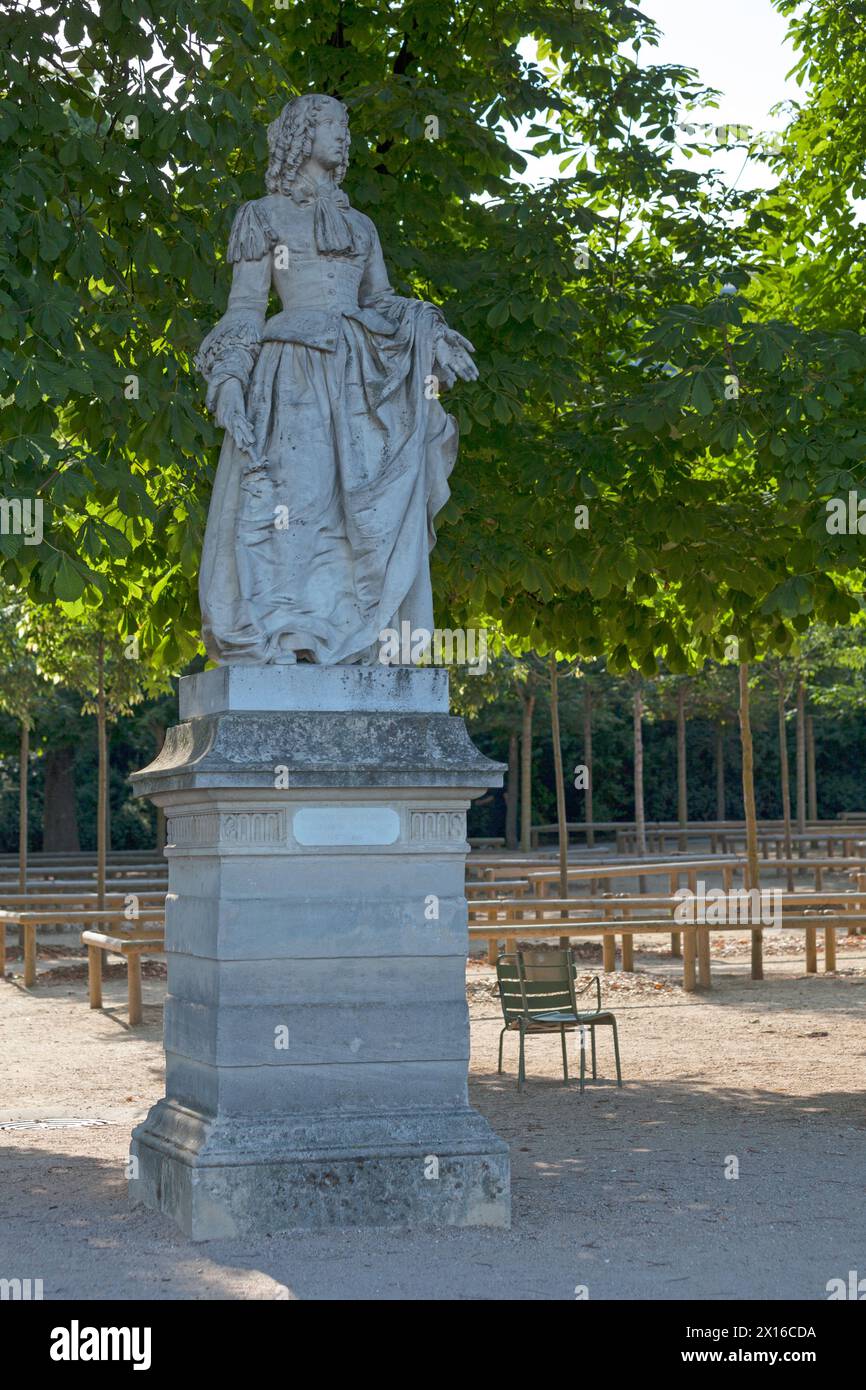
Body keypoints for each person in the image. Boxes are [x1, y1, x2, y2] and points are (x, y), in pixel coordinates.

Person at [195, 92, 478, 665]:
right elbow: (246, 307)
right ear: (302, 134)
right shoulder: (264, 216)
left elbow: (381, 301)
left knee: (354, 511)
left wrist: (434, 334)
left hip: (359, 378)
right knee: (293, 500)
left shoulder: (361, 226)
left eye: (344, 126)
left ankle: (350, 635)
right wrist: (228, 377)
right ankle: (283, 634)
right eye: (331, 124)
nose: (343, 136)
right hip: (292, 370)